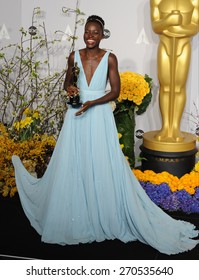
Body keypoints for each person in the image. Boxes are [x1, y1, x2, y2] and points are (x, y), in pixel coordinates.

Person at [12, 15, 199, 255]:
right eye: (87, 32)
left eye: (95, 33)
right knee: (73, 162)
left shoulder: (110, 58)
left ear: (102, 35)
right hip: (75, 115)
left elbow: (116, 92)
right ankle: (77, 213)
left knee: (100, 162)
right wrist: (70, 88)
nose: (90, 36)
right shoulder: (74, 56)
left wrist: (92, 103)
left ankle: (101, 211)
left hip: (98, 115)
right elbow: (67, 81)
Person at [150, 0, 199, 142]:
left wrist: (170, 28)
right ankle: (165, 126)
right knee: (165, 86)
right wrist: (169, 20)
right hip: (165, 45)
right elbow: (156, 26)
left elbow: (194, 28)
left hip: (184, 46)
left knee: (178, 87)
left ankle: (175, 127)